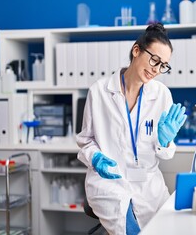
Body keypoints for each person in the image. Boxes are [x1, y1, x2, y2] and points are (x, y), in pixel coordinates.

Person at [76, 23, 187, 235]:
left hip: (148, 184)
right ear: (136, 50)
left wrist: (165, 141)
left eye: (163, 65)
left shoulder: (162, 94)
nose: (156, 69)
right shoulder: (99, 91)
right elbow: (86, 140)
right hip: (109, 182)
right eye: (154, 60)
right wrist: (96, 158)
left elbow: (165, 152)